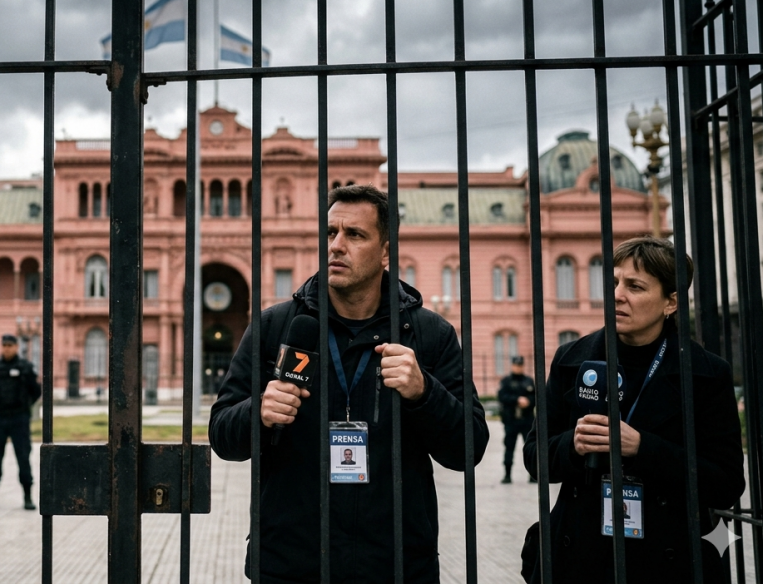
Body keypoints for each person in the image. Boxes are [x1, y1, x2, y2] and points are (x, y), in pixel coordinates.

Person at [209, 184, 489, 583]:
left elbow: (469, 448)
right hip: (292, 565)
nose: (337, 245)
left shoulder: (427, 334)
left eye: (354, 235)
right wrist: (259, 411)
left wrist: (423, 392)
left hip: (395, 564)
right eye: (330, 233)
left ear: (386, 251)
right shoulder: (276, 327)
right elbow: (221, 435)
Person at [523, 237, 744, 583]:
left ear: (671, 302)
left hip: (666, 559)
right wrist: (573, 445)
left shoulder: (704, 372)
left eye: (635, 286)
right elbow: (535, 458)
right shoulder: (571, 359)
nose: (616, 295)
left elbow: (727, 483)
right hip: (580, 555)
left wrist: (643, 448)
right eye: (613, 282)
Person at [0, 334, 41, 510]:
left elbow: (36, 391)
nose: (7, 348)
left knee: (23, 457)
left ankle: (27, 496)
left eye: (10, 345)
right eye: (4, 345)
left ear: (16, 347)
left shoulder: (25, 367)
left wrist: (25, 406)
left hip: (19, 419)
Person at [497, 355, 535, 484]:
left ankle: (533, 474)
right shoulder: (506, 381)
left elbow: (537, 397)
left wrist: (528, 401)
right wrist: (517, 400)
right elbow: (502, 397)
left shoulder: (529, 381)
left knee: (530, 447)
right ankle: (507, 475)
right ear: (512, 365)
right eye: (516, 365)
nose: (518, 368)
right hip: (511, 420)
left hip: (527, 420)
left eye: (520, 365)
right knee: (509, 447)